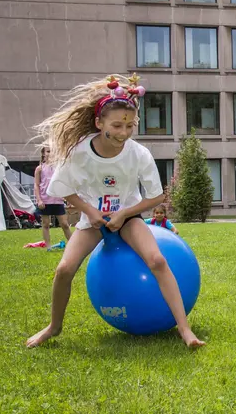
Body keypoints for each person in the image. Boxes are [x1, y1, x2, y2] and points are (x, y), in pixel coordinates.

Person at [25, 74, 204, 348]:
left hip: (129, 216)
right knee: (64, 269)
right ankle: (54, 327)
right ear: (99, 123)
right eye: (117, 125)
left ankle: (185, 330)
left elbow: (155, 196)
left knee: (157, 260)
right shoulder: (81, 152)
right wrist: (88, 210)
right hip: (93, 220)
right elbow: (61, 187)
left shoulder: (138, 154)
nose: (124, 132)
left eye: (130, 125)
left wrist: (123, 214)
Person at [34, 146, 73, 249]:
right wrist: (39, 200)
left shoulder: (59, 167)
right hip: (45, 201)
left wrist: (68, 198)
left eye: (52, 151)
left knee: (64, 224)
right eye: (48, 151)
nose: (50, 153)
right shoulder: (40, 168)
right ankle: (48, 247)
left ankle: (74, 245)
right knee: (46, 224)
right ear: (43, 153)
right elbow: (36, 185)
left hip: (58, 200)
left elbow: (64, 183)